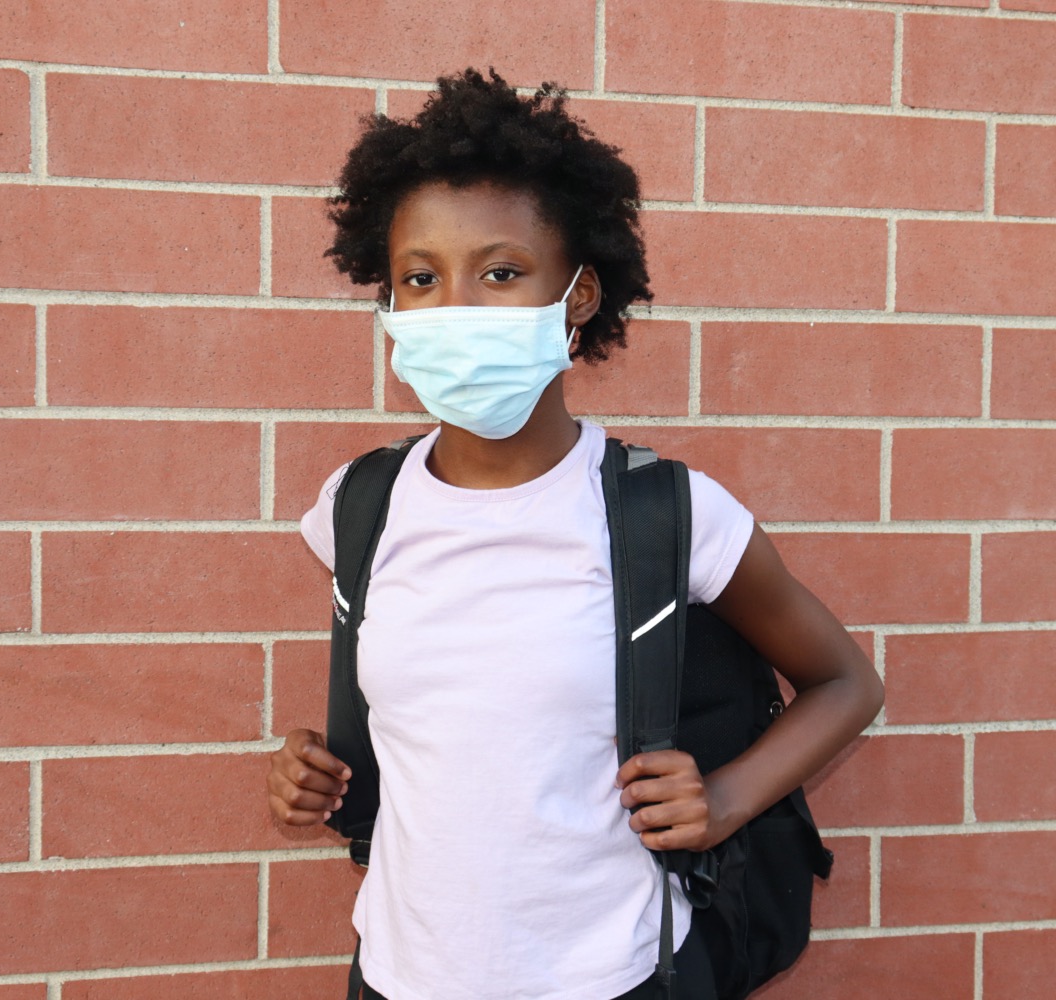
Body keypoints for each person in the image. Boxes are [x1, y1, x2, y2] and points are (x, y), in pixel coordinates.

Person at [266, 68, 884, 1000]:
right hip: (397, 974)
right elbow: (439, 720)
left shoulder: (667, 514)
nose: (457, 307)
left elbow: (846, 682)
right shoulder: (359, 503)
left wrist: (722, 801)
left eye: (502, 273)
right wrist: (313, 771)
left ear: (580, 295)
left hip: (612, 975)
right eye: (421, 278)